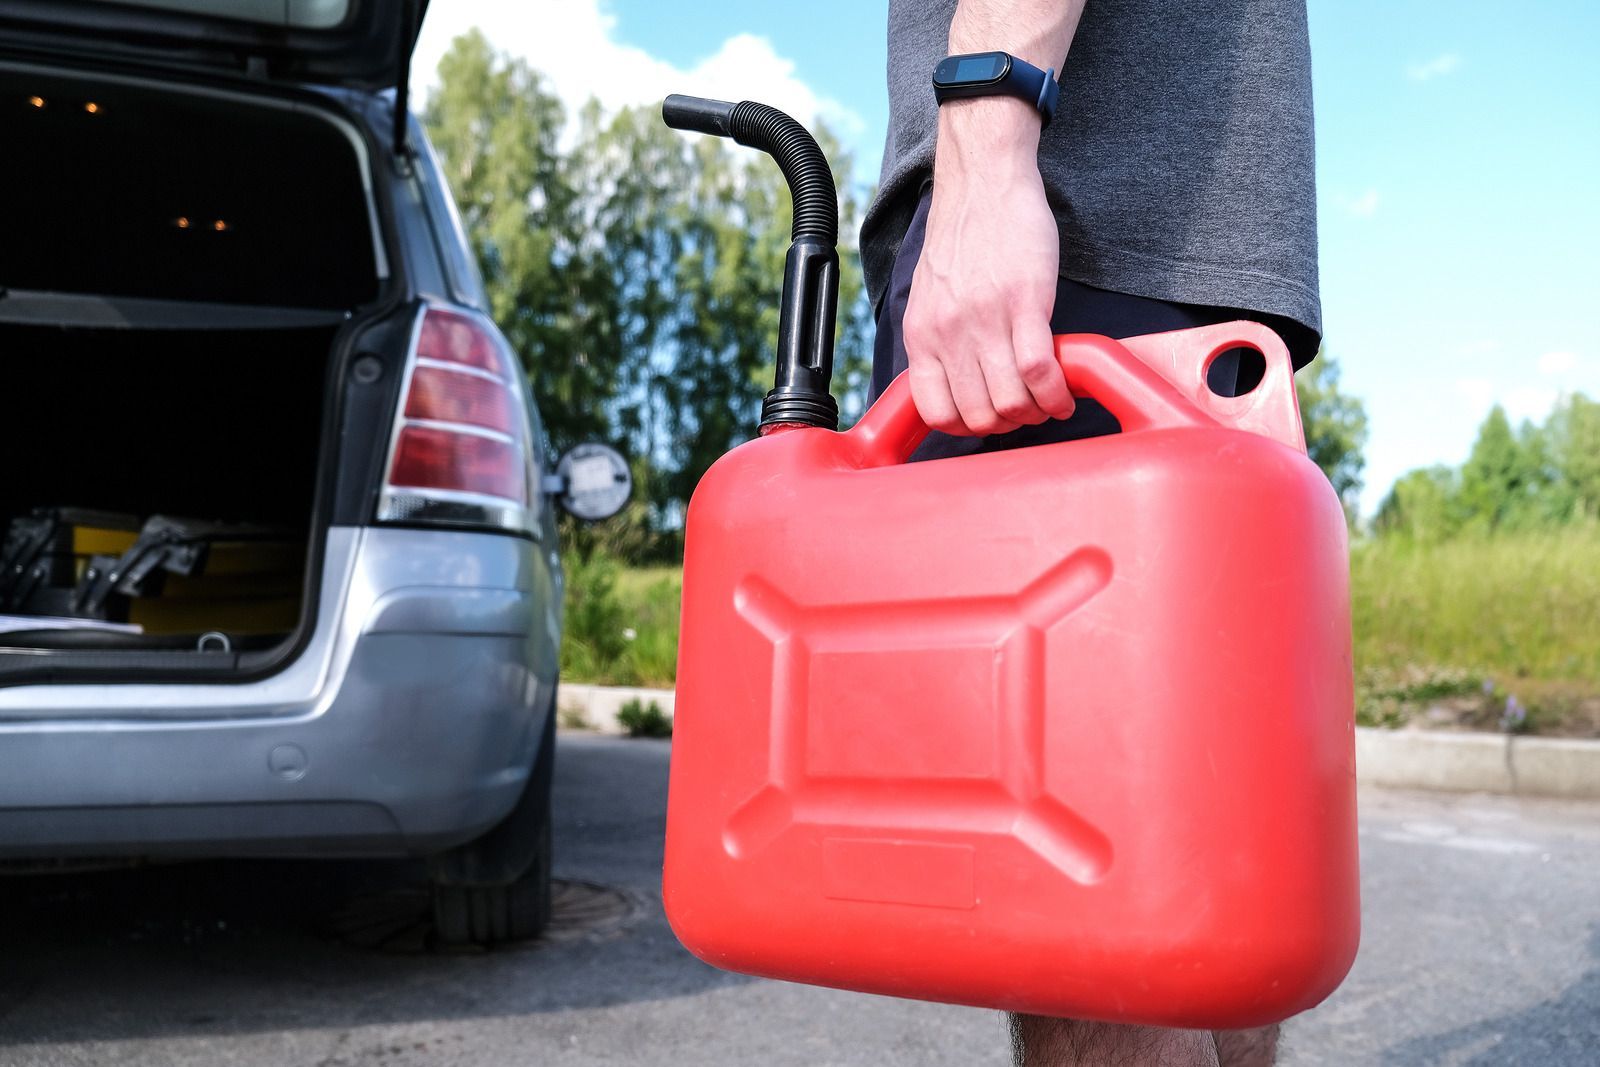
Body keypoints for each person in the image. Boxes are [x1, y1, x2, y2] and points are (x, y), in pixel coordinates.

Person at [857, 0, 1321, 1063]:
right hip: (1200, 240)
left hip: (1074, 204)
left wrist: (988, 124)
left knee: (1074, 863)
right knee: (1212, 859)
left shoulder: (1020, 156)